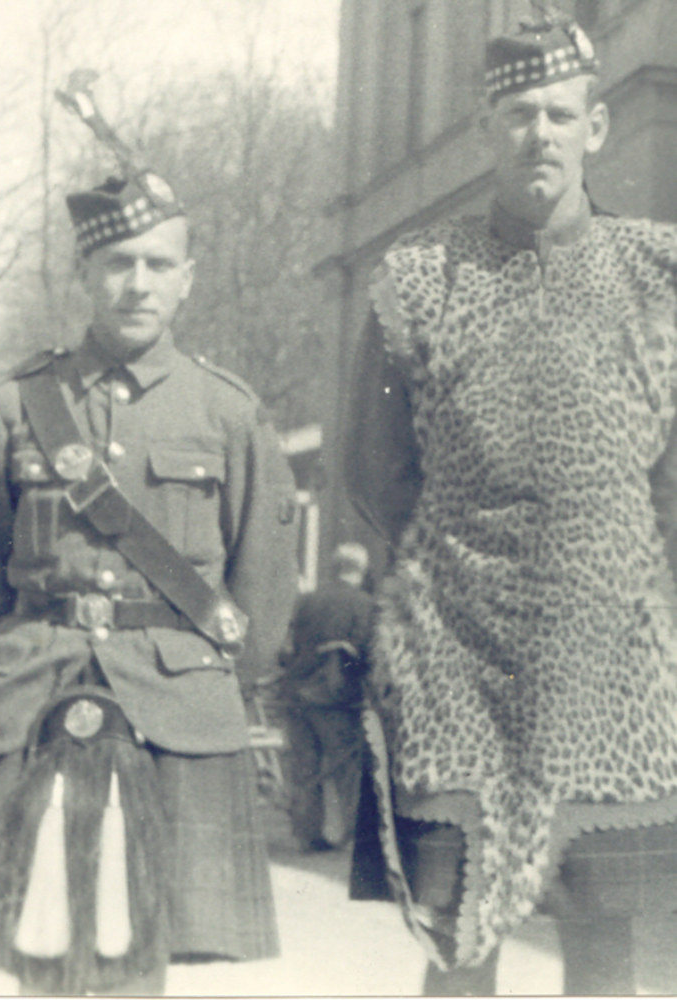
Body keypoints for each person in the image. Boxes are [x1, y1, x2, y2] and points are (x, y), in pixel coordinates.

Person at [345, 7, 677, 996]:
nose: (540, 133)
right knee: (458, 945)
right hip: (456, 666)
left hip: (613, 666)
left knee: (607, 951)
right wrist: (464, 569)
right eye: (518, 114)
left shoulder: (658, 275)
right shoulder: (416, 279)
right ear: (485, 128)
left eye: (559, 113)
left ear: (594, 127)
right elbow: (374, 470)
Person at [0, 160, 298, 995]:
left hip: (176, 711)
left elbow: (264, 580)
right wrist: (25, 643)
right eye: (118, 263)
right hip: (39, 692)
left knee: (141, 960)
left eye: (158, 264)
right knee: (38, 949)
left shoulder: (227, 411)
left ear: (187, 279)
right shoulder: (15, 404)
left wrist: (210, 681)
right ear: (84, 271)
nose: (138, 283)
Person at [281, 542, 374, 851]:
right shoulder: (364, 603)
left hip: (296, 693)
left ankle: (308, 835)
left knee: (304, 766)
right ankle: (353, 836)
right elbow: (365, 653)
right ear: (361, 570)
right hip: (334, 698)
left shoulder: (308, 601)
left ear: (334, 568)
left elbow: (292, 645)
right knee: (347, 768)